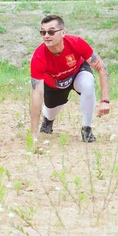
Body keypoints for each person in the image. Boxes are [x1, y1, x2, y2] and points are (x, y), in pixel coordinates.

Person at [30, 15, 110, 143]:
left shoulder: (76, 43)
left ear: (63, 33)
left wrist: (105, 100)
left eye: (51, 31)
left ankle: (87, 129)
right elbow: (37, 95)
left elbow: (101, 68)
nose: (46, 35)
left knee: (88, 83)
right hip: (55, 84)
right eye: (43, 32)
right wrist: (33, 135)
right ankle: (48, 120)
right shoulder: (39, 57)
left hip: (76, 72)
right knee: (51, 112)